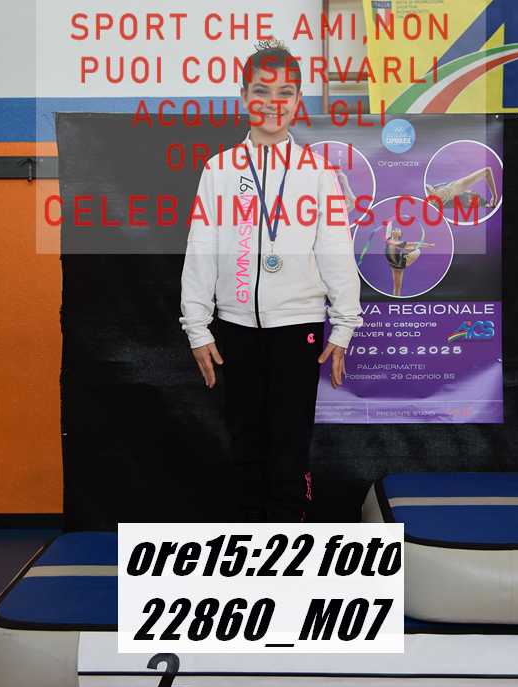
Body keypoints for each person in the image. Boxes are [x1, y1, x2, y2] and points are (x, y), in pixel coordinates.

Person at [179, 39, 363, 522]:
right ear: (244, 97)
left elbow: (336, 251)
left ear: (298, 100)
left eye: (285, 92)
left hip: (297, 326)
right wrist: (197, 327)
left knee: (288, 447)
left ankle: (288, 542)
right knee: (245, 445)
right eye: (261, 90)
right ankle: (249, 549)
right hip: (235, 326)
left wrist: (344, 324)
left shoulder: (318, 173)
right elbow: (201, 248)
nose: (273, 102)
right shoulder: (219, 170)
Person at [384, 222, 435, 297]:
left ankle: (406, 254)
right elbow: (388, 228)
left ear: (400, 235)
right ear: (392, 233)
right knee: (397, 287)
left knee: (417, 250)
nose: (396, 229)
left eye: (398, 230)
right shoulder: (388, 239)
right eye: (394, 229)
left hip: (401, 263)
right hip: (394, 266)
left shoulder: (400, 243)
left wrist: (429, 245)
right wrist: (391, 221)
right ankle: (396, 299)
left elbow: (416, 243)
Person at [425, 165, 498, 210]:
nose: (470, 202)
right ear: (469, 191)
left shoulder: (448, 202)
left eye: (473, 204)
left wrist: (489, 202)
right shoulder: (457, 187)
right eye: (473, 198)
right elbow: (487, 171)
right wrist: (494, 196)